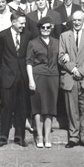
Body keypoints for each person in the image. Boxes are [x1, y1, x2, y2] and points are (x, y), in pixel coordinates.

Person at [58, 10, 84, 149]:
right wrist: (73, 69)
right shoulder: (64, 36)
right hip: (70, 76)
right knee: (71, 108)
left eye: (79, 20)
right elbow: (61, 57)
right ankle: (73, 137)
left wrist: (81, 71)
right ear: (71, 21)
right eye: (74, 20)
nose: (77, 22)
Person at [0, 11, 31, 147]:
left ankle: (20, 138)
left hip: (23, 77)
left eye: (24, 23)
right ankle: (3, 137)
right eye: (21, 23)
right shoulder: (3, 35)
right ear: (13, 22)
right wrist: (6, 69)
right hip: (8, 77)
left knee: (22, 108)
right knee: (6, 108)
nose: (23, 26)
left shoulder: (27, 35)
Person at [26, 16, 60, 149]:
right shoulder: (33, 43)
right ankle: (39, 136)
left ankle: (47, 136)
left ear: (51, 28)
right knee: (38, 107)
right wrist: (31, 80)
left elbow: (62, 57)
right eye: (43, 27)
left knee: (50, 108)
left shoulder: (57, 42)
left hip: (53, 77)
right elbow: (28, 62)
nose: (45, 30)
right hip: (38, 76)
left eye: (48, 27)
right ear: (39, 29)